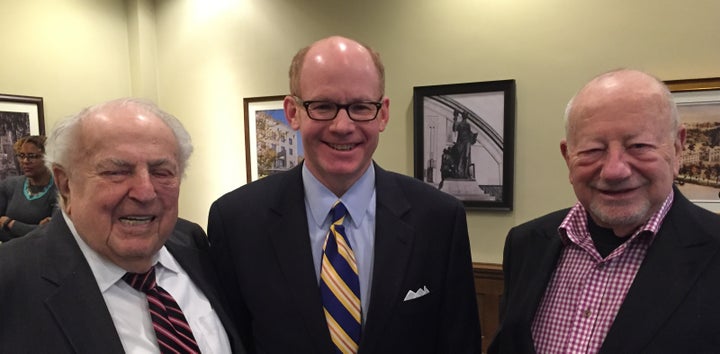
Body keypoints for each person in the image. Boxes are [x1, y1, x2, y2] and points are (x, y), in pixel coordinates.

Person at [208, 36, 481, 353]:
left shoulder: (439, 219)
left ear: (382, 114)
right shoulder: (237, 221)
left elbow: (459, 344)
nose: (342, 125)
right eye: (322, 106)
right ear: (293, 112)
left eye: (360, 107)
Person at [488, 69, 720, 353]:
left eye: (638, 146)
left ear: (678, 148)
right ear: (567, 157)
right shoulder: (525, 244)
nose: (614, 170)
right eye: (592, 150)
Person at [0, 98, 245, 353]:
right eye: (117, 172)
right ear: (65, 184)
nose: (145, 192)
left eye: (162, 172)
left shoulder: (192, 243)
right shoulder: (10, 280)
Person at [0, 135, 57, 242]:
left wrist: (10, 223)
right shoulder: (9, 185)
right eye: (22, 156)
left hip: (43, 255)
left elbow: (51, 233)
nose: (25, 161)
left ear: (47, 158)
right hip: (8, 253)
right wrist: (35, 230)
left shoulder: (59, 190)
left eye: (32, 156)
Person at [452, 110, 477, 179]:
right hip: (461, 143)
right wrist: (455, 118)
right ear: (463, 116)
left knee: (466, 158)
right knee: (460, 157)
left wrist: (474, 136)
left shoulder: (468, 125)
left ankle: (465, 173)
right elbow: (454, 128)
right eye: (465, 115)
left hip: (466, 143)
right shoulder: (459, 124)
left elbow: (469, 134)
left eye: (466, 115)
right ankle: (460, 172)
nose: (466, 116)